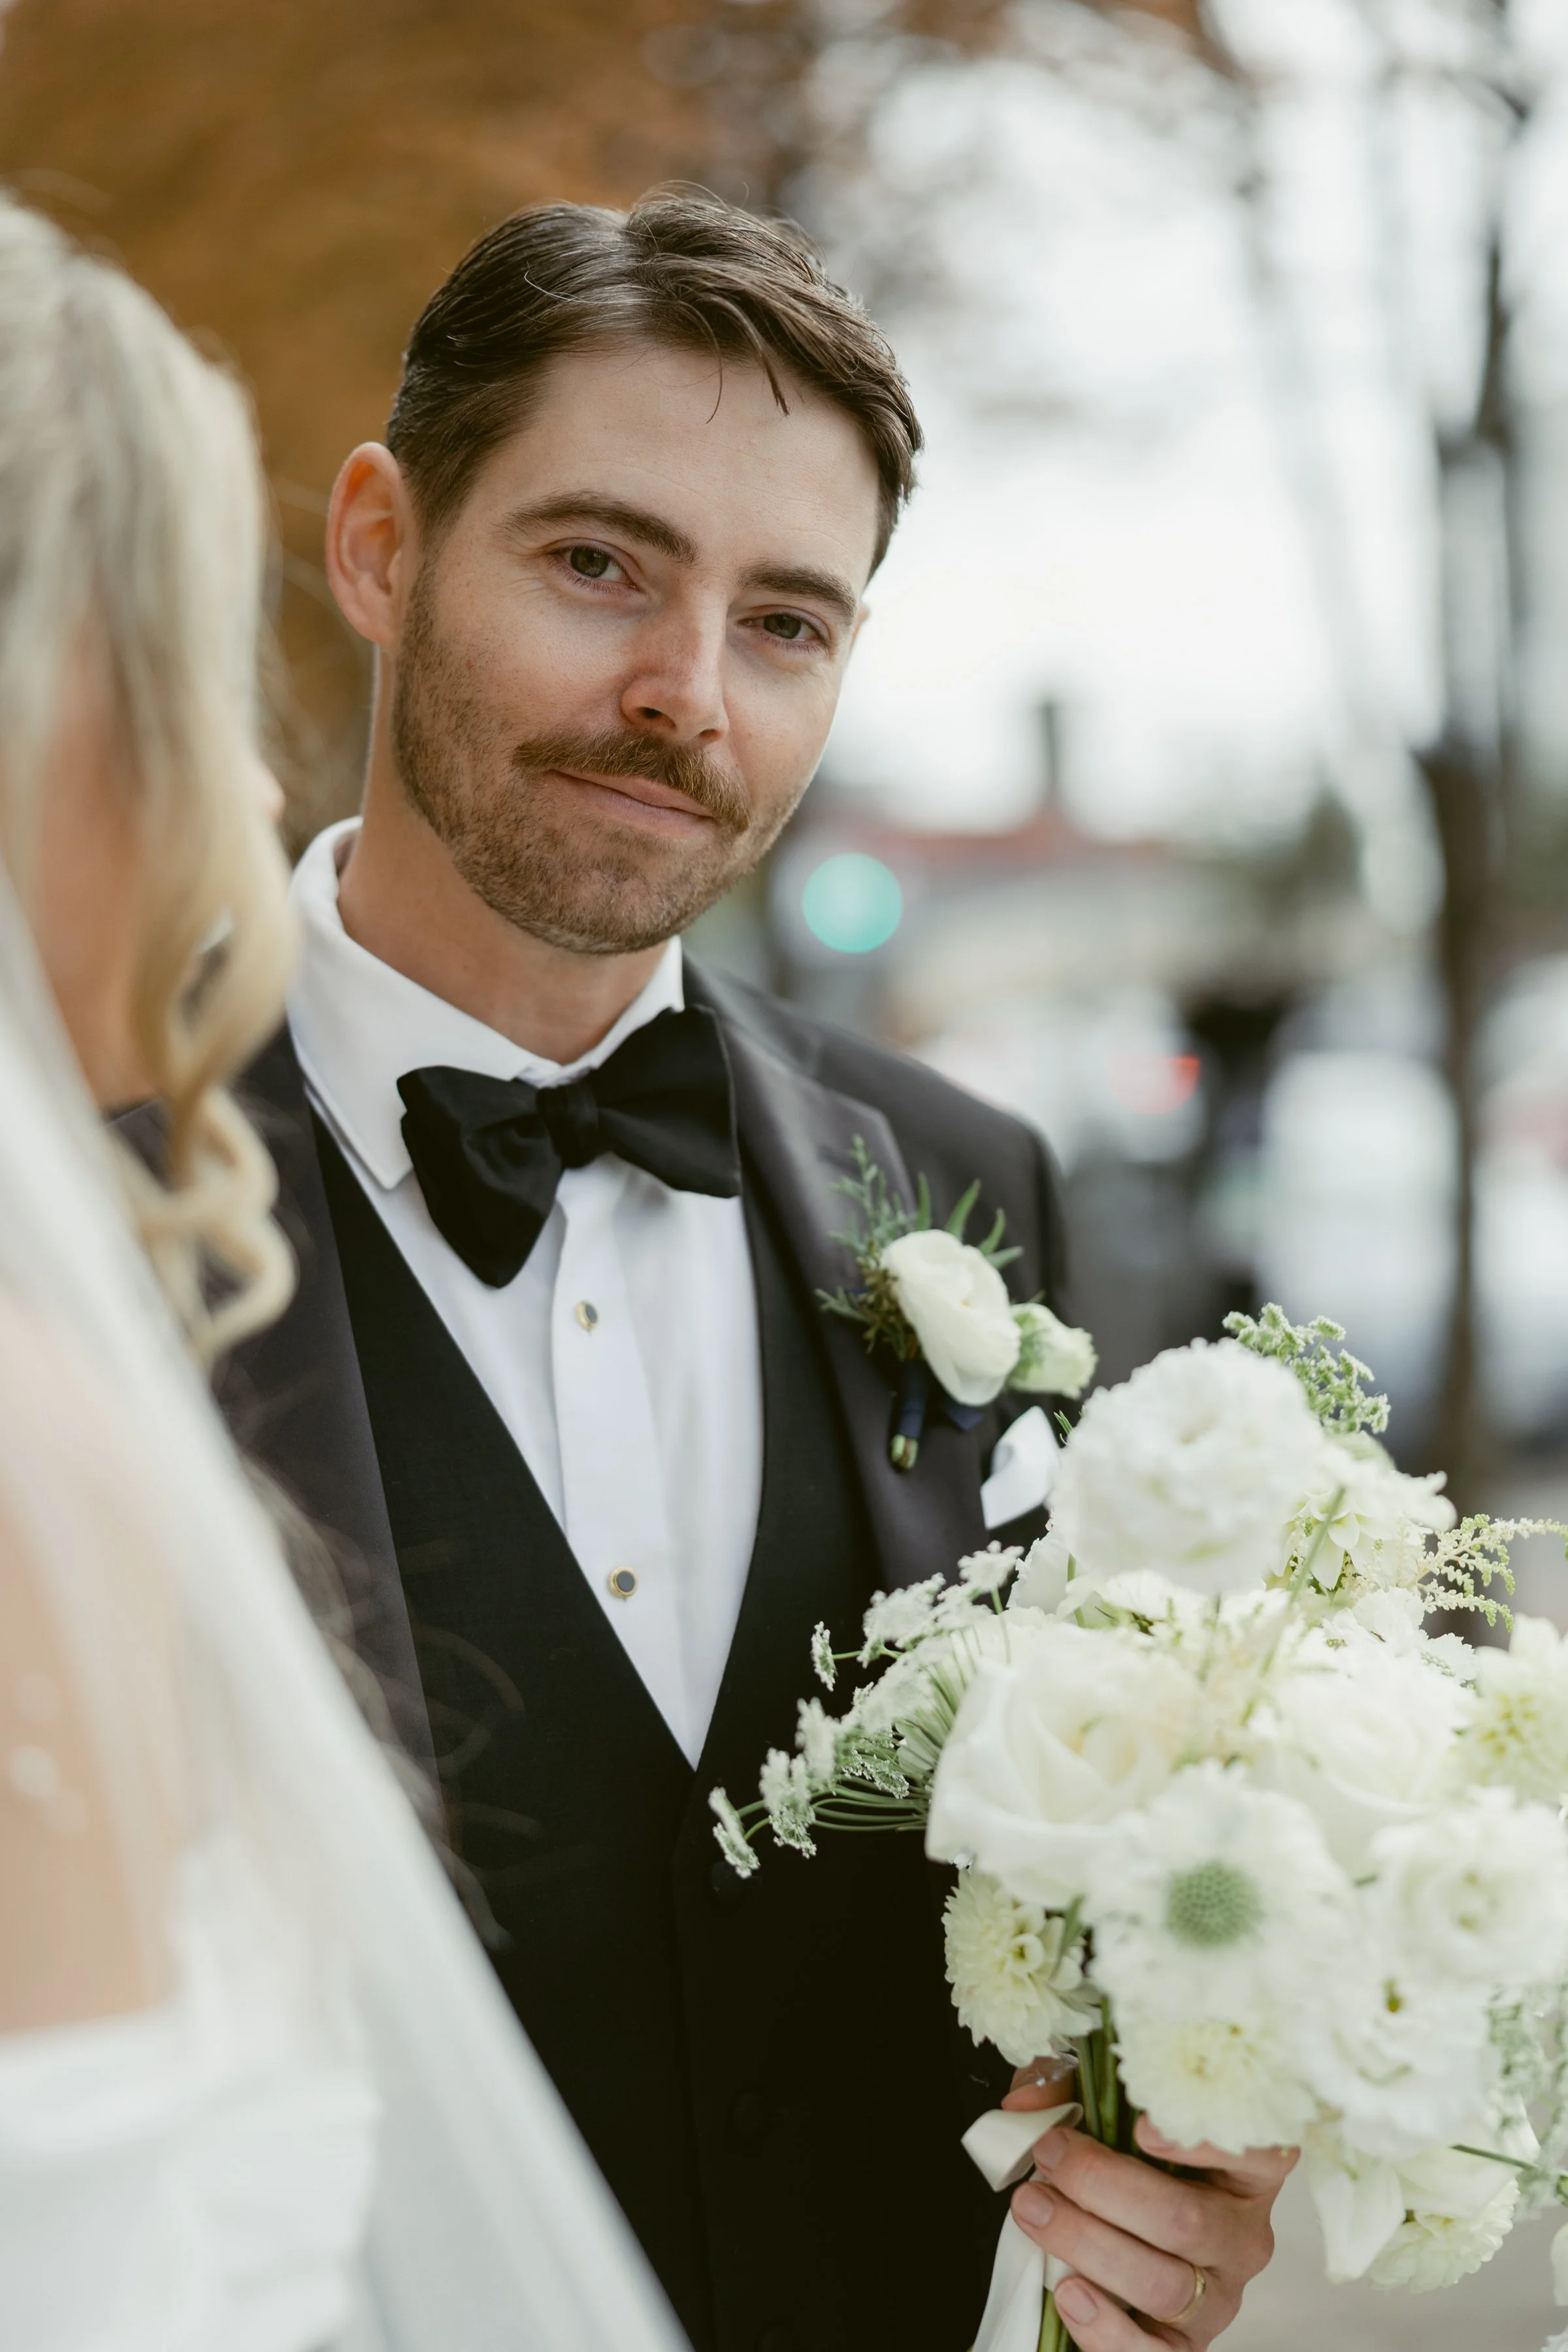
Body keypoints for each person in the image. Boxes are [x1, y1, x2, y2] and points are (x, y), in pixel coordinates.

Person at [229, 189, 1292, 2350]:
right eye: (599, 561)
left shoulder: (967, 1181)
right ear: (380, 546)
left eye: (787, 621)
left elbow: (1075, 1909)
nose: (680, 695)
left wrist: (1177, 2157)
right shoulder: (87, 1184)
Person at [0, 195, 689, 2352]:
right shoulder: (42, 1433)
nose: (238, 763)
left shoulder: (964, 1184)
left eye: (795, 617)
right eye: (190, 666)